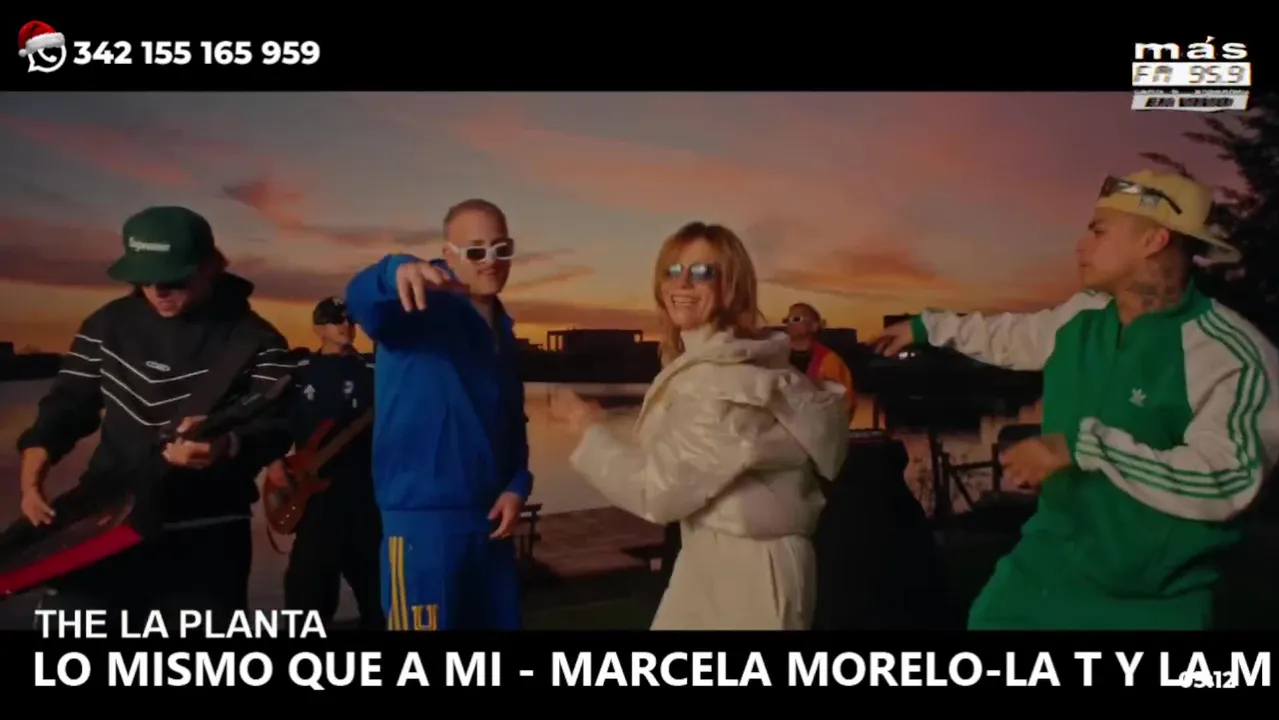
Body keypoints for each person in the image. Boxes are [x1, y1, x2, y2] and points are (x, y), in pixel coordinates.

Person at [874, 170, 1279, 630]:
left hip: (1153, 600)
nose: (1080, 247)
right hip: (1042, 571)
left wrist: (1083, 449)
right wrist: (927, 328)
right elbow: (1010, 335)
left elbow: (1226, 479)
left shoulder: (1231, 355)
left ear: (1153, 240)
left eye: (1098, 231)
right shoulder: (1082, 315)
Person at [550, 222, 849, 630]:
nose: (683, 283)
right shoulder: (724, 363)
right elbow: (682, 452)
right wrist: (606, 425)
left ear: (731, 287)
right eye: (673, 271)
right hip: (711, 557)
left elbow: (659, 493)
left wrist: (585, 428)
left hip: (750, 575)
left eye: (702, 272)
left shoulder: (723, 379)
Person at [17, 206, 294, 624]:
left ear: (210, 265)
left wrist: (226, 445)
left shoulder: (259, 340)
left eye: (172, 279)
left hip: (207, 532)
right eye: (144, 279)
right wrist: (34, 466)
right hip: (104, 520)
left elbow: (276, 429)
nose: (157, 290)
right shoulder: (106, 324)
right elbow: (69, 402)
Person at [344, 198, 531, 631]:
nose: (490, 261)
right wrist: (393, 270)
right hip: (423, 529)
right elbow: (361, 302)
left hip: (492, 527)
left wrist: (517, 483)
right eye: (476, 250)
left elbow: (512, 420)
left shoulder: (502, 329)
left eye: (501, 248)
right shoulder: (418, 303)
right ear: (449, 254)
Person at [264, 297, 383, 630]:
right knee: (307, 592)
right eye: (335, 320)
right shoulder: (299, 372)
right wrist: (273, 460)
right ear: (318, 328)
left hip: (364, 493)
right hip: (313, 498)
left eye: (349, 321)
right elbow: (272, 420)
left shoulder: (374, 370)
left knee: (378, 590)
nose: (345, 326)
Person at [784, 302, 857, 422]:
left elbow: (845, 403)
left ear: (814, 326)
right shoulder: (776, 356)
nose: (789, 323)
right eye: (787, 320)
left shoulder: (830, 361)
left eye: (796, 319)